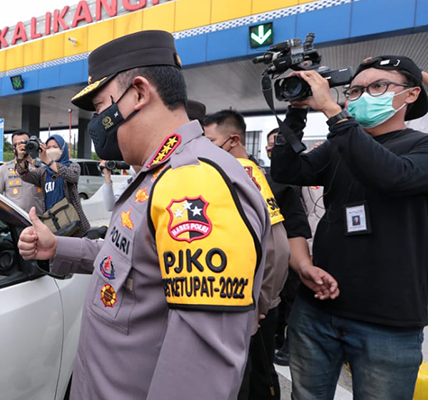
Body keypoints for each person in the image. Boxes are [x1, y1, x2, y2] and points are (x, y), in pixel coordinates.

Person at [18, 30, 270, 399]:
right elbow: (130, 260)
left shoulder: (195, 183)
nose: (98, 123)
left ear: (138, 93)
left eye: (102, 107)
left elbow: (198, 379)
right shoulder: (158, 174)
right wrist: (57, 247)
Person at [271, 55, 428, 400]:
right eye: (355, 90)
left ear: (412, 94)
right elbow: (287, 172)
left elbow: (390, 176)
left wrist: (333, 111)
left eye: (377, 86)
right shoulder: (338, 147)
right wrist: (297, 111)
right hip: (317, 309)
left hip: (388, 323)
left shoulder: (420, 147)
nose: (362, 96)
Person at [204, 110, 290, 400]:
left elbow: (278, 246)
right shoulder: (232, 171)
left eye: (210, 140)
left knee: (255, 379)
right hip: (245, 305)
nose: (205, 148)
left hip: (251, 310)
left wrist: (263, 301)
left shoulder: (243, 173)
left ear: (232, 140)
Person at [265, 129, 318, 367]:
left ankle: (291, 344)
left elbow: (314, 213)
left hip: (301, 247)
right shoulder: (265, 177)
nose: (272, 150)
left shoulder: (308, 174)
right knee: (281, 296)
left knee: (295, 299)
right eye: (270, 146)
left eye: (277, 144)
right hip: (278, 250)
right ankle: (278, 336)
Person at [18, 134, 90, 236]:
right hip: (53, 223)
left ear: (63, 149)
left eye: (55, 147)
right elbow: (25, 176)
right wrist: (21, 159)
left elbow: (71, 176)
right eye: (48, 147)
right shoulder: (43, 172)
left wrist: (48, 161)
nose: (51, 150)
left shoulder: (72, 166)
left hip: (74, 222)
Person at [0, 131, 44, 213]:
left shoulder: (40, 168)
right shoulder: (4, 169)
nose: (23, 146)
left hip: (38, 220)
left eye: (25, 143)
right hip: (15, 221)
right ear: (13, 148)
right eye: (19, 144)